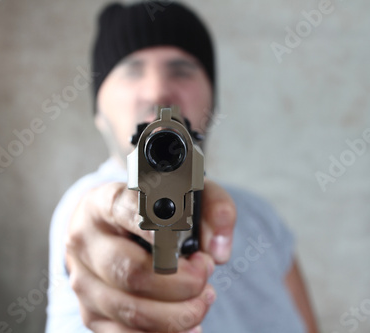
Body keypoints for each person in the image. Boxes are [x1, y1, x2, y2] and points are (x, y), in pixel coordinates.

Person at [45, 2, 318, 332]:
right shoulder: (84, 208)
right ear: (98, 112)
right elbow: (91, 225)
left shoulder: (261, 217)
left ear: (213, 101)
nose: (159, 92)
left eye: (180, 70)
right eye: (131, 70)